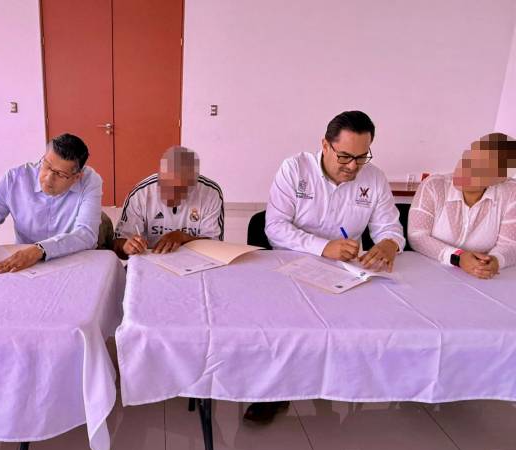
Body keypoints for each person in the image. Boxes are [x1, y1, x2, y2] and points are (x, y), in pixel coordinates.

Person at [253, 110, 405, 423]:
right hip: (292, 264)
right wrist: (323, 247)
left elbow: (390, 228)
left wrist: (389, 244)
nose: (353, 166)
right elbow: (275, 227)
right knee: (288, 329)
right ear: (325, 145)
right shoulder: (295, 169)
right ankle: (274, 392)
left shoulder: (374, 178)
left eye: (361, 157)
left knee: (351, 327)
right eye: (345, 156)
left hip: (345, 270)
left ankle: (334, 386)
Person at [0, 133, 102, 273]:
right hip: (23, 264)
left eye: (60, 174)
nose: (48, 178)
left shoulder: (89, 181)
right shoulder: (14, 178)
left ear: (76, 177)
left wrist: (40, 250)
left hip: (71, 260)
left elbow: (86, 234)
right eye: (47, 165)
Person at [408, 133, 516, 278]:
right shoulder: (434, 185)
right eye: (468, 157)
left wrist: (494, 261)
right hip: (428, 272)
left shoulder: (511, 193)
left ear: (500, 178)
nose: (466, 168)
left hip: (479, 277)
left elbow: (510, 245)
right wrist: (458, 257)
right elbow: (417, 237)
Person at [113, 146, 223, 259]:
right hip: (152, 260)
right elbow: (118, 245)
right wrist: (127, 247)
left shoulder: (210, 193)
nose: (170, 195)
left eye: (178, 190)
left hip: (194, 261)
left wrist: (183, 238)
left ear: (194, 184)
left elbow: (216, 247)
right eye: (165, 185)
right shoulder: (141, 193)